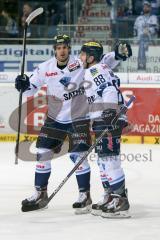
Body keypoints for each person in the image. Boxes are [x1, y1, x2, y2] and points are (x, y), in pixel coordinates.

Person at [15, 34, 132, 214]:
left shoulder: (80, 63)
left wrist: (116, 55)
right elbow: (31, 87)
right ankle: (40, 193)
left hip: (79, 116)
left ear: (69, 48)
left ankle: (85, 195)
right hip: (55, 118)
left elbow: (102, 61)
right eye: (59, 47)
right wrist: (23, 84)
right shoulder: (45, 67)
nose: (62, 50)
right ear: (54, 49)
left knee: (81, 156)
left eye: (65, 47)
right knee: (42, 152)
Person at [79, 41, 130, 218]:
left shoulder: (94, 70)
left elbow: (107, 88)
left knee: (110, 160)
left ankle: (121, 200)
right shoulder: (99, 67)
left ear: (91, 57)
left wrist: (109, 112)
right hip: (102, 118)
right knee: (103, 161)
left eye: (83, 54)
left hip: (108, 118)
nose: (81, 57)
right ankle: (110, 196)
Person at [134, 1, 159, 70]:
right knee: (141, 40)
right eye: (144, 6)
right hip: (139, 40)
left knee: (143, 39)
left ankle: (141, 64)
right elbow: (135, 31)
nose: (145, 8)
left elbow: (157, 29)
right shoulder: (138, 18)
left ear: (150, 8)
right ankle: (142, 64)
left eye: (147, 7)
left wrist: (149, 30)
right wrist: (134, 40)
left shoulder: (153, 18)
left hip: (151, 40)